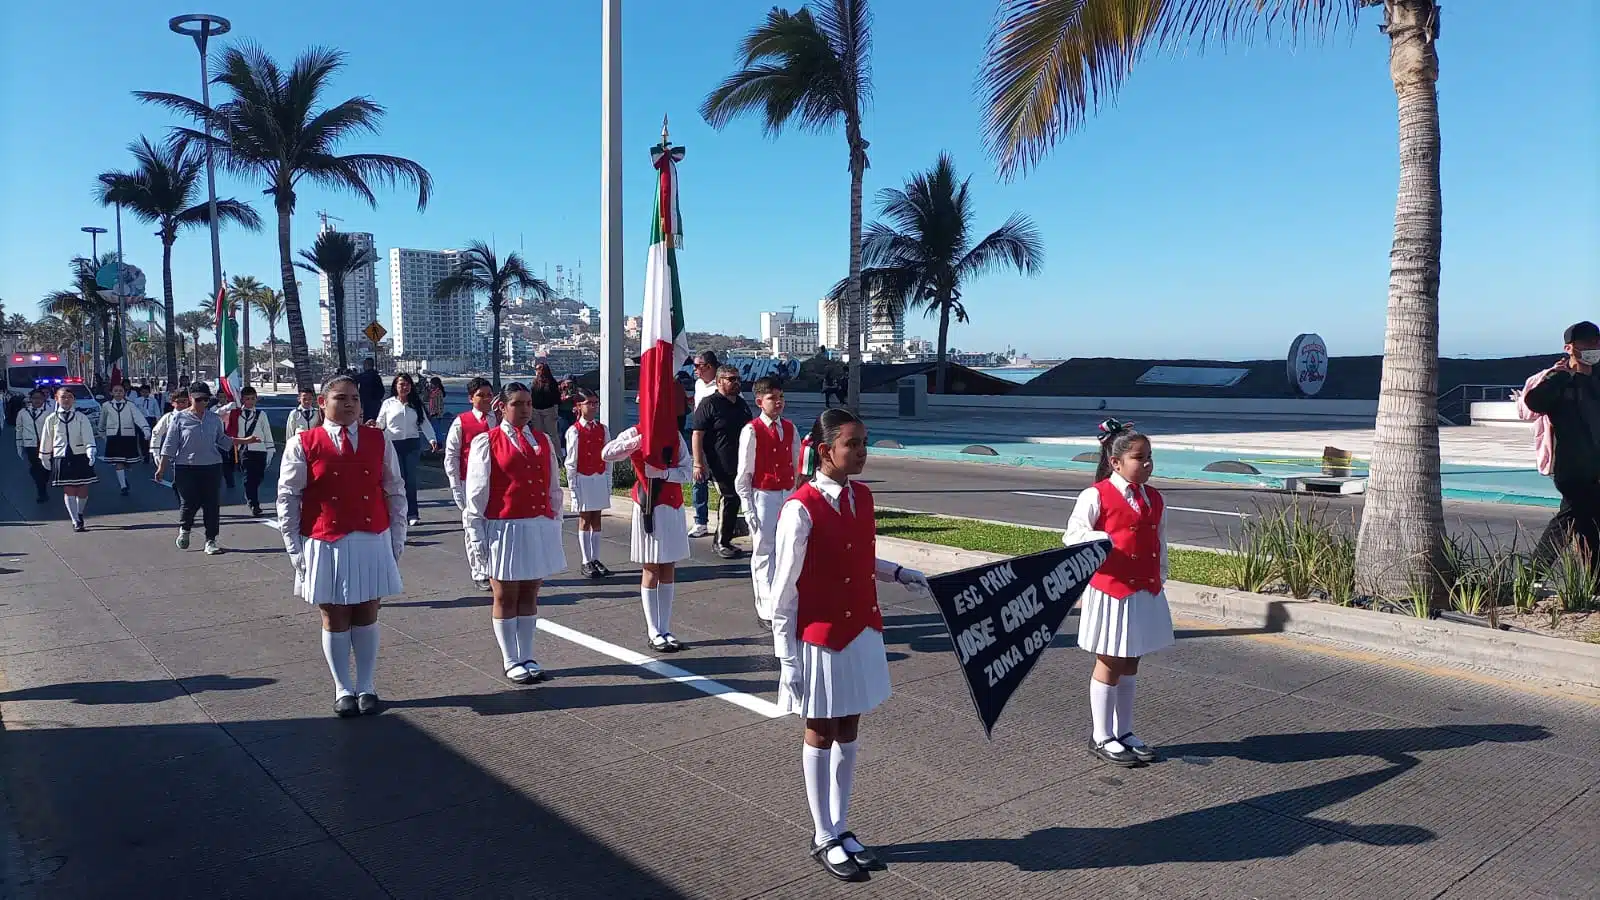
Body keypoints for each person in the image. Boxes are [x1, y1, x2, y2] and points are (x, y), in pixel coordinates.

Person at [768, 408, 930, 882]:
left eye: (864, 443)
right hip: (820, 637)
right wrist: (786, 658)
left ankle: (840, 825)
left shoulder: (862, 496)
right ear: (825, 451)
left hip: (862, 629)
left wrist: (898, 572)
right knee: (820, 729)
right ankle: (822, 835)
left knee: (850, 726)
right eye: (853, 444)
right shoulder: (800, 507)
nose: (862, 452)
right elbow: (784, 591)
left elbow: (858, 556)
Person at [276, 375, 407, 718]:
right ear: (322, 402)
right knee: (334, 615)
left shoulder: (379, 440)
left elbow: (395, 490)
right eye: (340, 398)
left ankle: (366, 685)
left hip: (371, 536)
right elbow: (288, 498)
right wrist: (294, 547)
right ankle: (342, 687)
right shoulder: (303, 443)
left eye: (354, 398)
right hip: (325, 540)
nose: (349, 404)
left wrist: (397, 537)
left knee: (367, 611)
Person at [1062, 419, 1173, 768]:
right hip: (1112, 591)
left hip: (1144, 590)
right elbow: (1072, 535)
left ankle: (1124, 731)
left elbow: (1160, 541)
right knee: (1109, 661)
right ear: (1116, 462)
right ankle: (1101, 735)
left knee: (1132, 659)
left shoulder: (1154, 497)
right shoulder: (1096, 495)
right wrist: (1102, 540)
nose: (1147, 464)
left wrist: (1161, 574)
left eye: (1150, 457)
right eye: (1140, 458)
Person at [464, 383, 566, 684]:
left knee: (530, 592)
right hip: (504, 526)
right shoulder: (487, 441)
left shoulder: (543, 441)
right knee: (506, 594)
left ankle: (528, 653)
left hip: (535, 525)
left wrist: (553, 522)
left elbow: (553, 487)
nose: (524, 409)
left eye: (528, 403)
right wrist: (477, 536)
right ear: (503, 407)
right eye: (517, 404)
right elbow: (476, 494)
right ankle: (511, 659)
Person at [601, 411, 694, 652]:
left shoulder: (675, 436)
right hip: (648, 505)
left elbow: (686, 471)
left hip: (672, 506)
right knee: (651, 566)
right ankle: (654, 629)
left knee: (668, 566)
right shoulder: (635, 432)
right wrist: (637, 442)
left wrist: (664, 474)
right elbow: (608, 453)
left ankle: (665, 627)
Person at [1522, 321, 1600, 571]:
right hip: (1573, 469)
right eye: (1586, 342)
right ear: (1569, 347)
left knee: (1587, 526)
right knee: (1570, 521)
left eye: (1597, 341)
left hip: (1596, 467)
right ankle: (1531, 576)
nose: (1593, 346)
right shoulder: (1560, 379)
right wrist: (1560, 375)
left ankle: (1591, 583)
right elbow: (1534, 402)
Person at [736, 376, 802, 629]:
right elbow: (744, 473)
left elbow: (796, 463)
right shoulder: (752, 430)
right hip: (763, 495)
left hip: (786, 494)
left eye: (781, 397)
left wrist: (797, 493)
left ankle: (784, 601)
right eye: (773, 398)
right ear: (760, 401)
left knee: (788, 549)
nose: (779, 402)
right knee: (764, 552)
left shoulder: (789, 427)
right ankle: (765, 607)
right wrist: (748, 507)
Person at [154, 383, 239, 555]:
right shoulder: (179, 418)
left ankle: (211, 540)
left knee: (212, 504)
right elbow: (169, 445)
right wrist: (161, 468)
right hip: (186, 467)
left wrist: (244, 441)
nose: (202, 403)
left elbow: (222, 440)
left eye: (206, 400)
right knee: (189, 502)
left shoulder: (214, 419)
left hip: (212, 466)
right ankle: (185, 529)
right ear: (191, 398)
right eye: (198, 399)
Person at [693, 364, 754, 559]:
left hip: (742, 461)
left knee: (738, 499)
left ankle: (728, 537)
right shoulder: (709, 404)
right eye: (731, 379)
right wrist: (698, 462)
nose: (736, 382)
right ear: (719, 381)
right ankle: (720, 542)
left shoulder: (741, 404)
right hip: (719, 462)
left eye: (738, 378)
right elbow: (697, 434)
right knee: (729, 498)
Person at [445, 377, 499, 590]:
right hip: (470, 481)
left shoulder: (497, 419)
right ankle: (478, 571)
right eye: (481, 395)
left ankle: (492, 566)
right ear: (471, 398)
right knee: (473, 526)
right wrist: (456, 485)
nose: (486, 399)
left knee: (492, 524)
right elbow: (451, 455)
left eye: (489, 395)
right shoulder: (462, 421)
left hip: (495, 480)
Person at [375, 373, 439, 526]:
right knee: (397, 480)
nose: (404, 387)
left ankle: (412, 513)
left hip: (411, 444)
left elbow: (424, 424)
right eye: (401, 384)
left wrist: (432, 439)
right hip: (393, 445)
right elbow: (380, 423)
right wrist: (373, 432)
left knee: (410, 480)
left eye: (407, 384)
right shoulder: (388, 404)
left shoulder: (415, 404)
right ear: (395, 386)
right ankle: (397, 512)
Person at [565, 390, 613, 579]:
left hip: (598, 478)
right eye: (589, 403)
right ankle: (586, 560)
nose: (593, 406)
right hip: (583, 479)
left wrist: (608, 481)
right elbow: (571, 462)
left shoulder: (603, 429)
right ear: (578, 406)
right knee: (585, 518)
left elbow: (608, 457)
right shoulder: (574, 431)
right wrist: (573, 487)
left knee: (597, 518)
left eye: (595, 403)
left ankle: (595, 558)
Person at [39, 385, 98, 532]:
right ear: (56, 399)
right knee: (69, 489)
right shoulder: (51, 419)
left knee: (83, 489)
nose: (66, 400)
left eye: (69, 397)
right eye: (63, 397)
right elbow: (47, 438)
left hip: (80, 455)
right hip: (62, 456)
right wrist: (45, 456)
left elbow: (88, 435)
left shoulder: (80, 417)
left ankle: (79, 512)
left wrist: (90, 449)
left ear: (74, 400)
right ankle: (75, 520)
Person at [688, 351, 720, 537]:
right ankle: (700, 521)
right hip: (700, 437)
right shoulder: (699, 384)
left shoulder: (720, 385)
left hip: (716, 440)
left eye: (698, 366)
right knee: (698, 479)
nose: (695, 370)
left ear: (709, 367)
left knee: (721, 483)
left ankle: (728, 521)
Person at [97, 384, 150, 497]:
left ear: (124, 393)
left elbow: (138, 417)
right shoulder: (106, 405)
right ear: (111, 393)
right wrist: (102, 433)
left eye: (121, 391)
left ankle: (125, 470)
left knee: (128, 460)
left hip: (128, 436)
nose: (118, 393)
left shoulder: (130, 405)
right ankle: (123, 486)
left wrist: (145, 429)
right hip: (114, 437)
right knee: (118, 461)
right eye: (115, 391)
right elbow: (102, 421)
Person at [234, 387, 277, 518]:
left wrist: (270, 450)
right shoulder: (236, 414)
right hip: (245, 451)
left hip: (260, 450)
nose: (250, 401)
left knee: (258, 478)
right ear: (242, 399)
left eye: (253, 398)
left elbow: (267, 433)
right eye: (247, 399)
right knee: (249, 478)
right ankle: (254, 503)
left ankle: (251, 495)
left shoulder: (261, 414)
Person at [14, 389, 53, 503]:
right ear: (30, 399)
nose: (37, 401)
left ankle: (43, 482)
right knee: (37, 467)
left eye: (39, 398)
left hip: (46, 444)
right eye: (34, 398)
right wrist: (19, 445)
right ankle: (42, 493)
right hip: (30, 444)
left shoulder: (49, 412)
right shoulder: (23, 412)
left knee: (46, 468)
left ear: (44, 399)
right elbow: (19, 429)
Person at [528, 362, 562, 451]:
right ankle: (541, 454)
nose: (536, 371)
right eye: (536, 369)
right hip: (536, 410)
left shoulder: (552, 382)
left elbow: (556, 398)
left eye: (538, 369)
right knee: (538, 434)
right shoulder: (534, 382)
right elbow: (531, 396)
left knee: (552, 434)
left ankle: (558, 455)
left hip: (549, 410)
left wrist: (555, 412)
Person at [356, 358, 385, 423]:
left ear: (366, 365)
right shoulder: (377, 376)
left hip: (365, 404)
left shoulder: (362, 376)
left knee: (366, 422)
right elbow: (382, 391)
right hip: (376, 403)